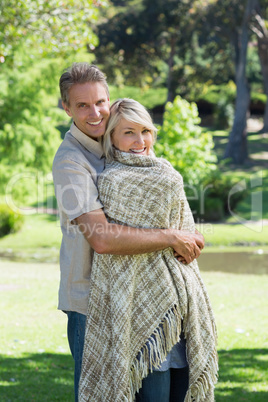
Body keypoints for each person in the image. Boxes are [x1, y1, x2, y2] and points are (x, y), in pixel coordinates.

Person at [52, 63, 205, 402]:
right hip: (91, 301)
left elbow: (184, 227)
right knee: (103, 394)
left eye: (100, 102)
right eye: (82, 105)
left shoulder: (127, 152)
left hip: (148, 298)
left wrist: (184, 238)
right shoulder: (71, 162)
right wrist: (170, 237)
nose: (95, 113)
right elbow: (102, 238)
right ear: (66, 108)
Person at [79, 99, 218, 402]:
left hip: (182, 306)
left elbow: (192, 236)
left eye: (146, 131)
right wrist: (172, 239)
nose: (139, 141)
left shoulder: (166, 171)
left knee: (184, 390)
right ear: (112, 136)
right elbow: (114, 244)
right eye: (128, 132)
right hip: (139, 306)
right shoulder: (111, 181)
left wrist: (188, 241)